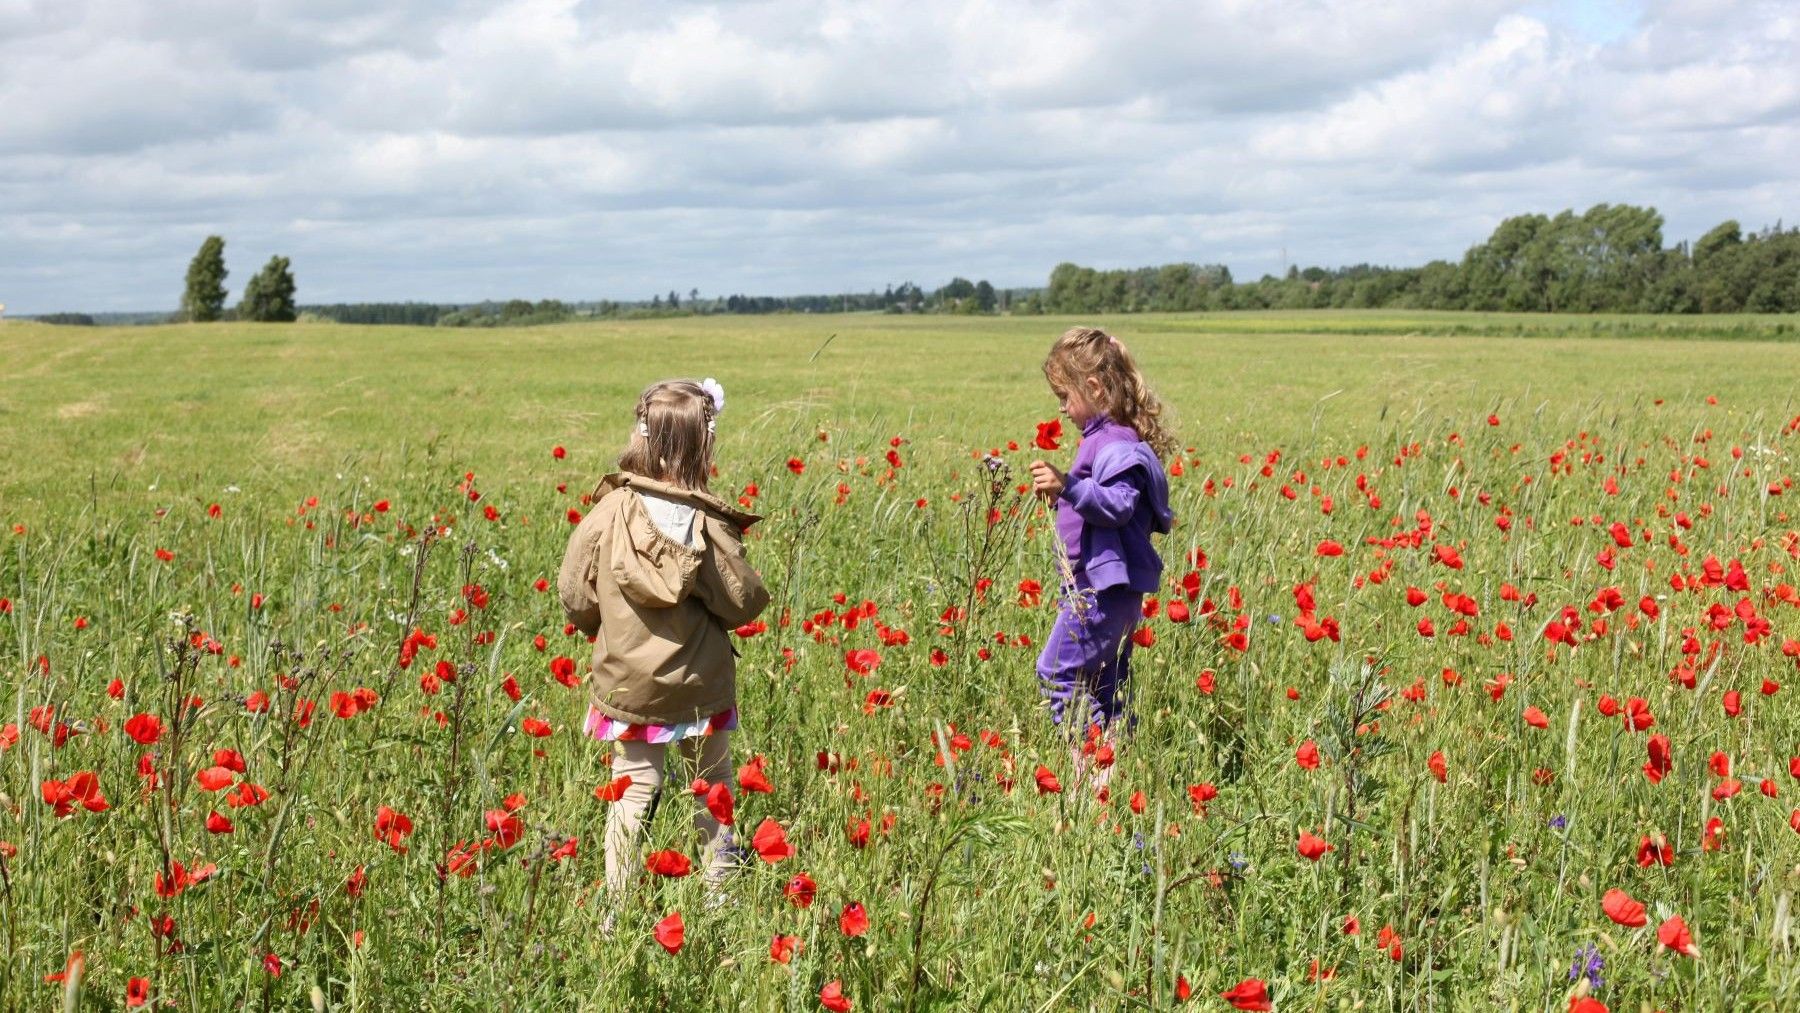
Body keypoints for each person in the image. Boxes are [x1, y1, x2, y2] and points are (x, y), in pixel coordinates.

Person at [557, 378, 770, 899]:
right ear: (703, 444)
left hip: (629, 685)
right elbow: (741, 602)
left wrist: (604, 628)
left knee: (631, 790)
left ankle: (616, 911)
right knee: (712, 780)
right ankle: (719, 891)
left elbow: (574, 593)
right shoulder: (706, 524)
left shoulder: (607, 513)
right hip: (699, 682)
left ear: (641, 434)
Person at [1027, 328, 1176, 757]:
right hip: (1100, 589)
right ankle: (1115, 774)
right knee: (1105, 687)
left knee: (1058, 673)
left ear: (1092, 387)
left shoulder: (1115, 445)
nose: (1061, 408)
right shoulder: (1105, 439)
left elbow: (1118, 506)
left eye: (1064, 395)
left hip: (1101, 591)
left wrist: (1068, 486)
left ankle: (1094, 771)